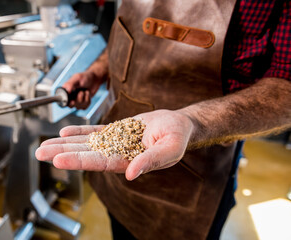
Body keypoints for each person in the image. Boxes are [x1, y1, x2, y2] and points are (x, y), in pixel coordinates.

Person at [36, 0, 291, 239]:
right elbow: (130, 29)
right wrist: (98, 70)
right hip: (115, 161)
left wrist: (193, 122)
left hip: (195, 175)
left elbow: (286, 87)